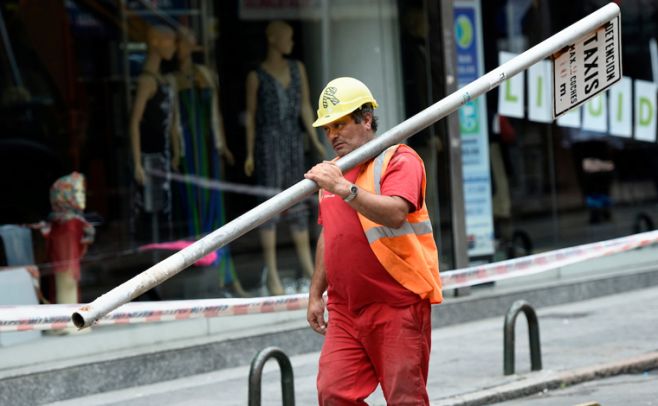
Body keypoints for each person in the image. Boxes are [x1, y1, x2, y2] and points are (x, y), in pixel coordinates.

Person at [304, 77, 443, 405]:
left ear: (366, 119)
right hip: (346, 308)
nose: (332, 134)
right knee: (334, 393)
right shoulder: (333, 172)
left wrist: (344, 189)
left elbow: (395, 212)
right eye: (327, 128)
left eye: (340, 124)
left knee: (404, 397)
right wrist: (314, 293)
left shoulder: (399, 159)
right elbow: (330, 234)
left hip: (396, 302)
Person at [244, 20, 325, 295]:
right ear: (273, 38)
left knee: (299, 202)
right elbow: (251, 117)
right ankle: (272, 273)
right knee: (270, 206)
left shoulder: (296, 68)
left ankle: (307, 267)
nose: (291, 42)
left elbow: (304, 104)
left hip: (292, 140)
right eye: (287, 37)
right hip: (268, 144)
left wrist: (314, 138)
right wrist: (249, 152)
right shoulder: (256, 76)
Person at [173, 27, 247, 297]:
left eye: (185, 44)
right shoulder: (173, 80)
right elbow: (173, 123)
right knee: (195, 212)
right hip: (190, 152)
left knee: (215, 212)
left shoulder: (204, 75)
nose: (181, 49)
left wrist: (221, 145)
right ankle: (206, 278)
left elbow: (215, 115)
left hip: (207, 149)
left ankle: (227, 276)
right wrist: (177, 150)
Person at [129, 24, 178, 244]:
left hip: (162, 155)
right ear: (156, 42)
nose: (174, 47)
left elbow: (170, 123)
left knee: (163, 209)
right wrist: (138, 162)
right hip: (150, 156)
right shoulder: (146, 82)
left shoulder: (161, 80)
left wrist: (175, 149)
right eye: (170, 41)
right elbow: (134, 122)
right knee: (151, 209)